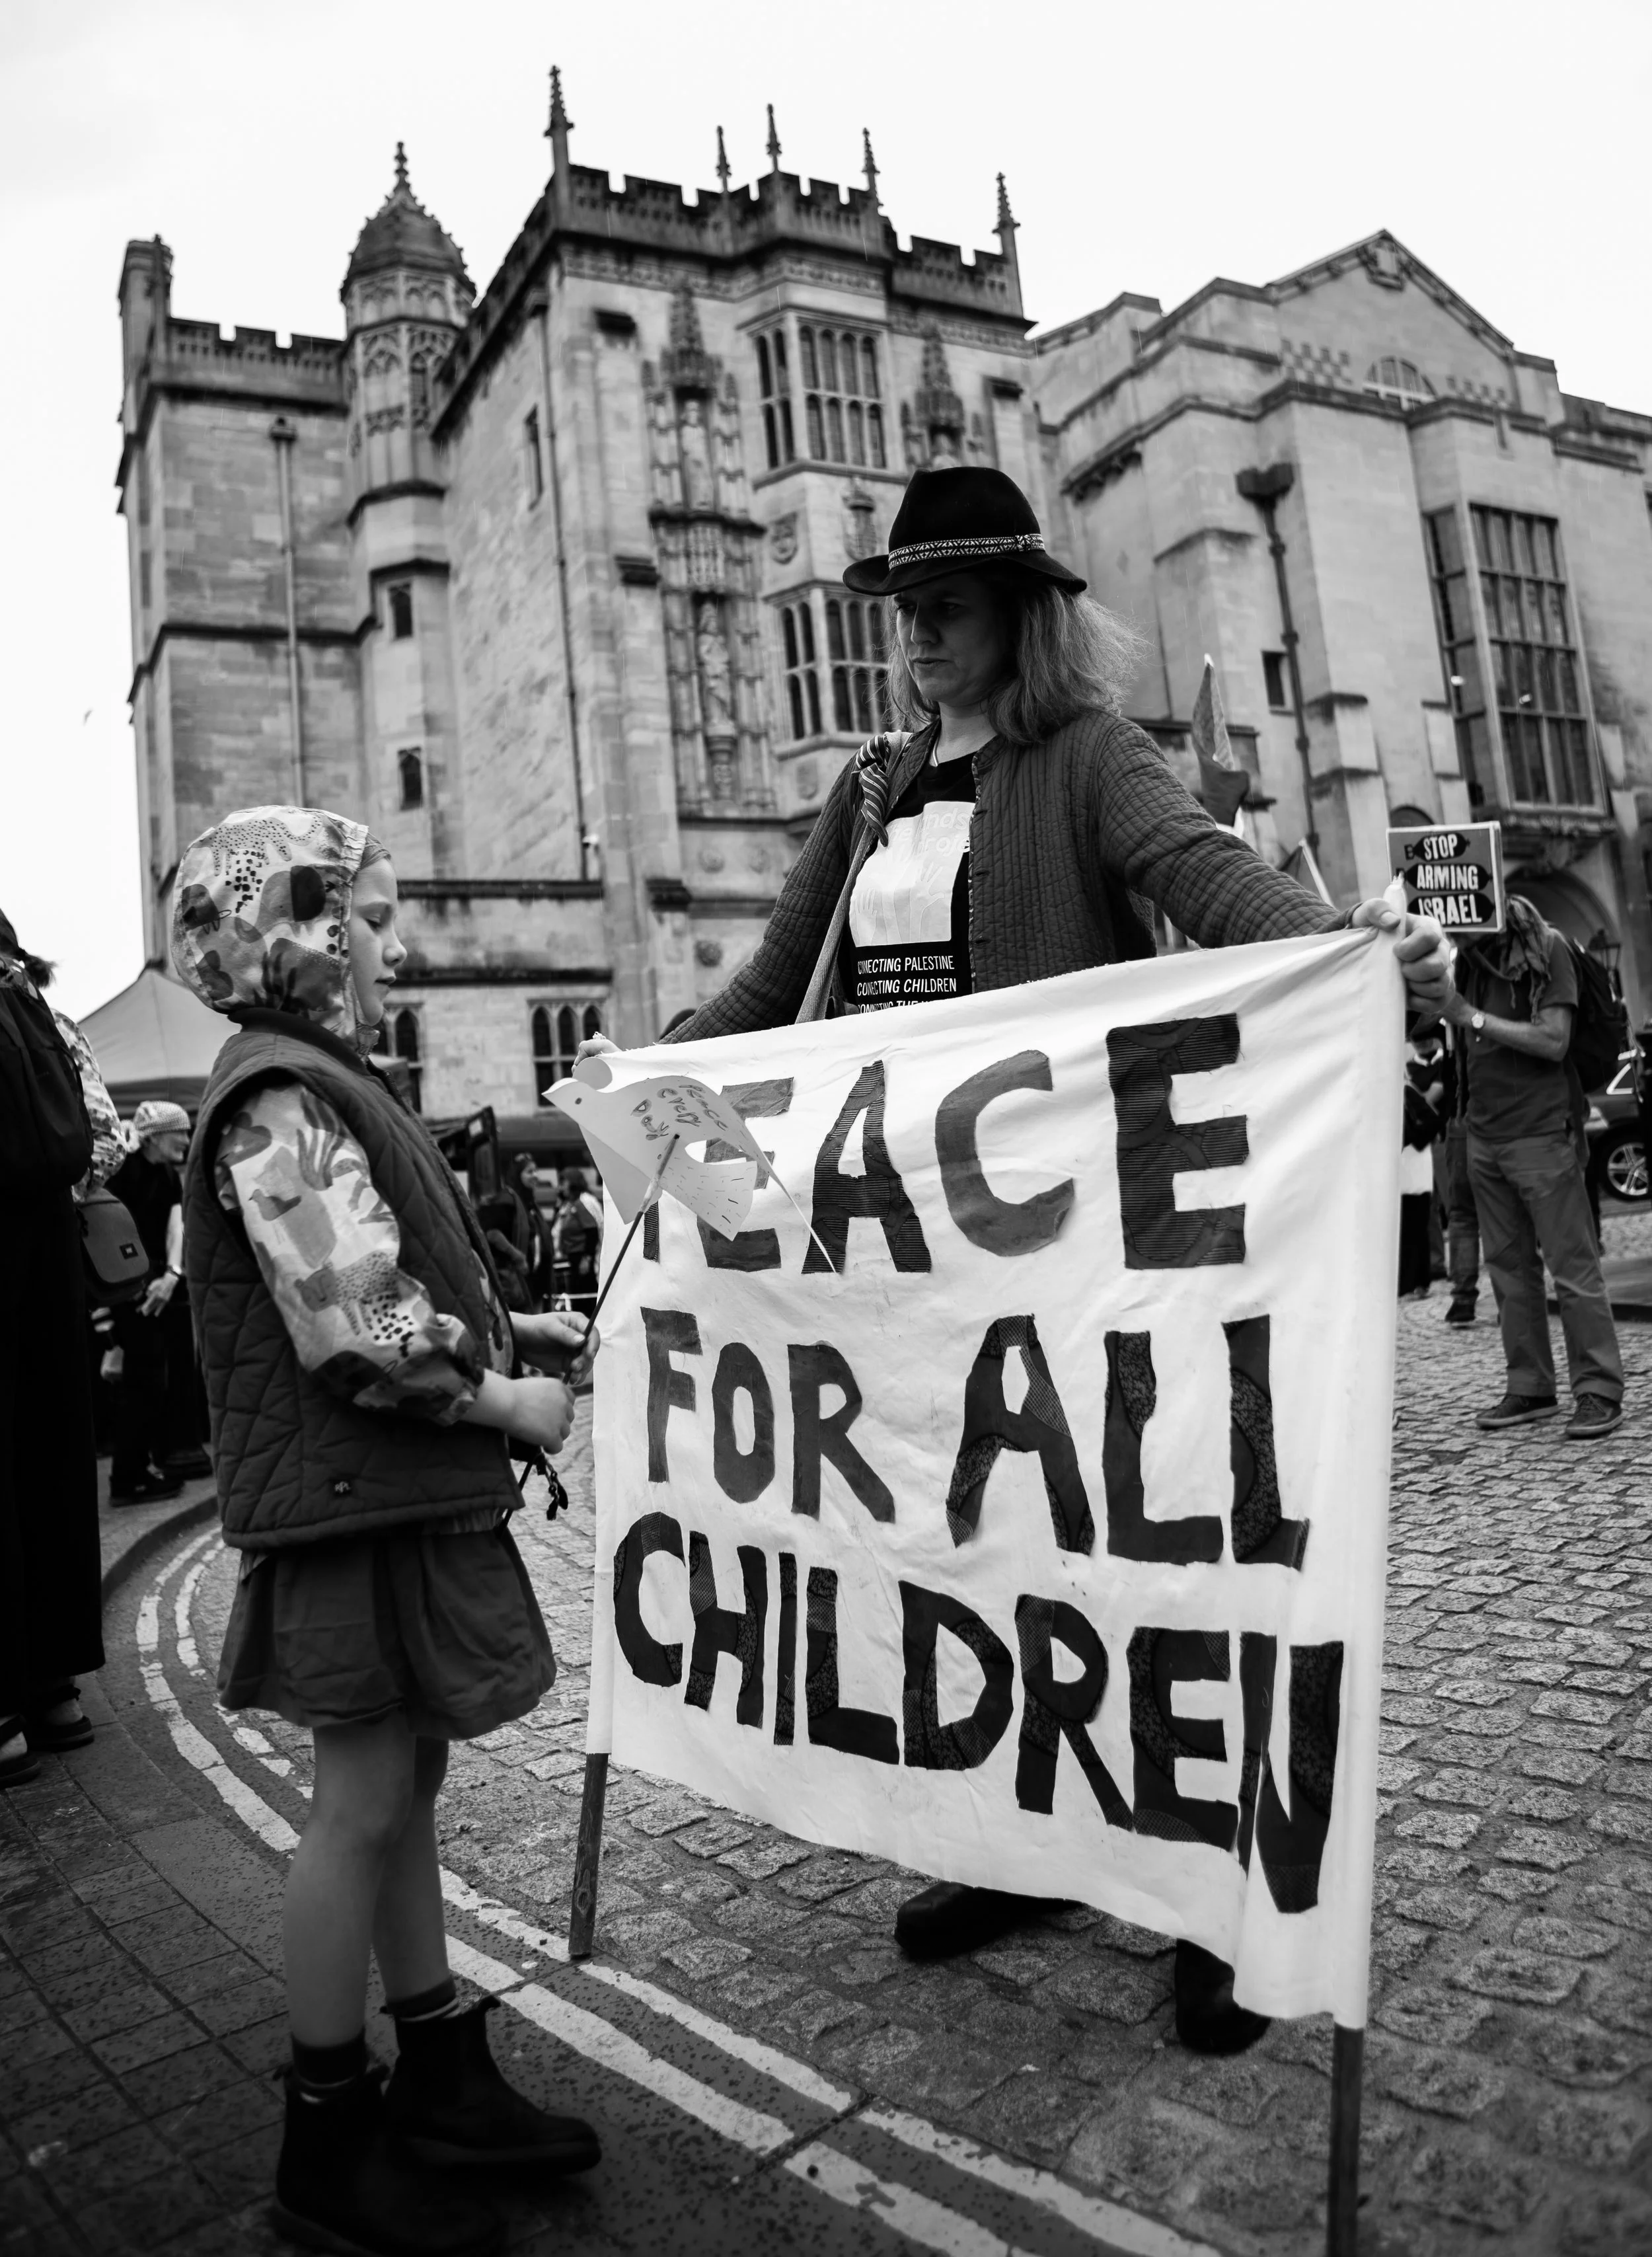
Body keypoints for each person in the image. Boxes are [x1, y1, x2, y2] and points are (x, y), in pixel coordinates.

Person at [580, 465, 1452, 2055]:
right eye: (902, 604)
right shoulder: (868, 789)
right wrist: (634, 1079)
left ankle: (1218, 1903)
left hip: (1091, 1252)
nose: (915, 632)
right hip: (925, 1270)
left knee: (1146, 1564)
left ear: (1021, 614)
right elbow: (780, 984)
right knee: (973, 1554)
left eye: (948, 604)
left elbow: (1214, 884)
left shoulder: (1090, 758)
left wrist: (1354, 953)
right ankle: (1011, 1845)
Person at [171, 807, 601, 2257]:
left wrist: (507, 1318)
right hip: (353, 1499)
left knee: (403, 1776)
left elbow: (387, 1262)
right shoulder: (274, 1095)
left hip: (383, 1489)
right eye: (368, 913)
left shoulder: (318, 1079)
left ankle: (438, 2068)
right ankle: (327, 2128)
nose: (394, 943)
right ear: (299, 933)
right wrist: (497, 1396)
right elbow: (350, 1311)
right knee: (359, 1800)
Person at [0, 909, 124, 1787]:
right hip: (45, 1251)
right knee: (49, 1455)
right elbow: (106, 1137)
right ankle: (55, 1688)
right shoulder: (41, 1007)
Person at [1441, 895, 1625, 1439]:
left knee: (1573, 1267)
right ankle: (1531, 1386)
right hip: (1486, 1136)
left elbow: (1553, 1039)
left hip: (1543, 1133)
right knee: (1508, 1270)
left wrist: (1469, 1014)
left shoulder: (1547, 948)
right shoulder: (1470, 959)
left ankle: (1598, 1389)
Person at [105, 1100, 192, 1503]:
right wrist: (140, 1284)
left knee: (158, 1380)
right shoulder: (125, 1173)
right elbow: (110, 1235)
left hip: (162, 1284)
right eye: (182, 1132)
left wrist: (173, 1275)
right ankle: (128, 1478)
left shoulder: (167, 1173)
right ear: (157, 1136)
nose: (187, 1140)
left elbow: (178, 1226)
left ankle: (146, 1465)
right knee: (144, 1382)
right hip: (132, 1288)